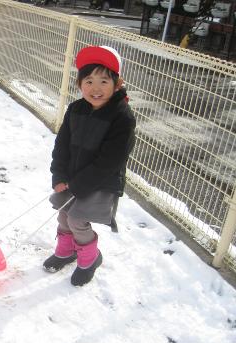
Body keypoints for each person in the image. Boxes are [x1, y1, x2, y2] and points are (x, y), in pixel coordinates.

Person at [44, 46, 136, 286]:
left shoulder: (121, 117)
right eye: (89, 80)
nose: (96, 88)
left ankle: (90, 258)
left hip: (100, 181)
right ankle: (67, 251)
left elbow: (110, 160)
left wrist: (79, 184)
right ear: (79, 84)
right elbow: (62, 145)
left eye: (104, 81)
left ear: (117, 84)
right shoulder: (76, 109)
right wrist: (59, 175)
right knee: (64, 214)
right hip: (71, 177)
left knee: (77, 220)